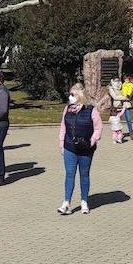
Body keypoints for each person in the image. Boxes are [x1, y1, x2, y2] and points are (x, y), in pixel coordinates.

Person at [57, 83, 102, 215]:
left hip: (85, 148)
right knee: (70, 173)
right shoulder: (67, 109)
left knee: (84, 174)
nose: (70, 97)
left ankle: (84, 201)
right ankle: (66, 203)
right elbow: (63, 127)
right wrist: (61, 143)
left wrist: (92, 141)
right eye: (70, 94)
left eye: (73, 94)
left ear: (80, 96)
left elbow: (98, 128)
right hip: (69, 146)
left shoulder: (91, 110)